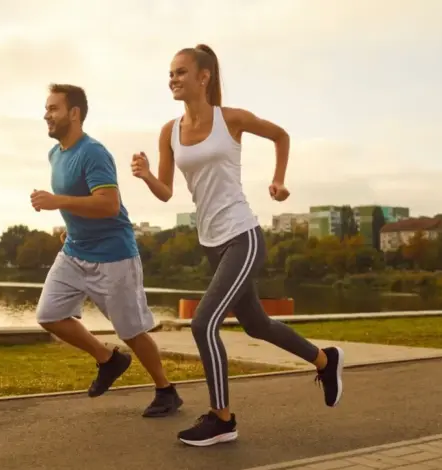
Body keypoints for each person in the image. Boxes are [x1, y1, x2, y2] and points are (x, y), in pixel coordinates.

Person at [131, 45, 345, 446]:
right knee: (257, 324)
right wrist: (144, 176)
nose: (172, 79)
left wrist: (279, 180)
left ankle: (222, 418)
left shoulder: (231, 120)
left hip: (243, 237)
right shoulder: (169, 131)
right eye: (170, 73)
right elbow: (165, 193)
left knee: (203, 322)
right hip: (212, 243)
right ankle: (324, 359)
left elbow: (280, 135)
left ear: (204, 76)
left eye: (180, 72)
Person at [30, 83, 184, 418]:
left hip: (114, 255)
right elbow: (82, 202)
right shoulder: (55, 154)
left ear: (74, 113)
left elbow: (109, 205)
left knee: (130, 330)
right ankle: (108, 360)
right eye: (46, 108)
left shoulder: (94, 153)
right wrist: (70, 226)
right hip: (74, 250)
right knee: (49, 314)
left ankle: (166, 390)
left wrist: (57, 202)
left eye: (53, 109)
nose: (46, 115)